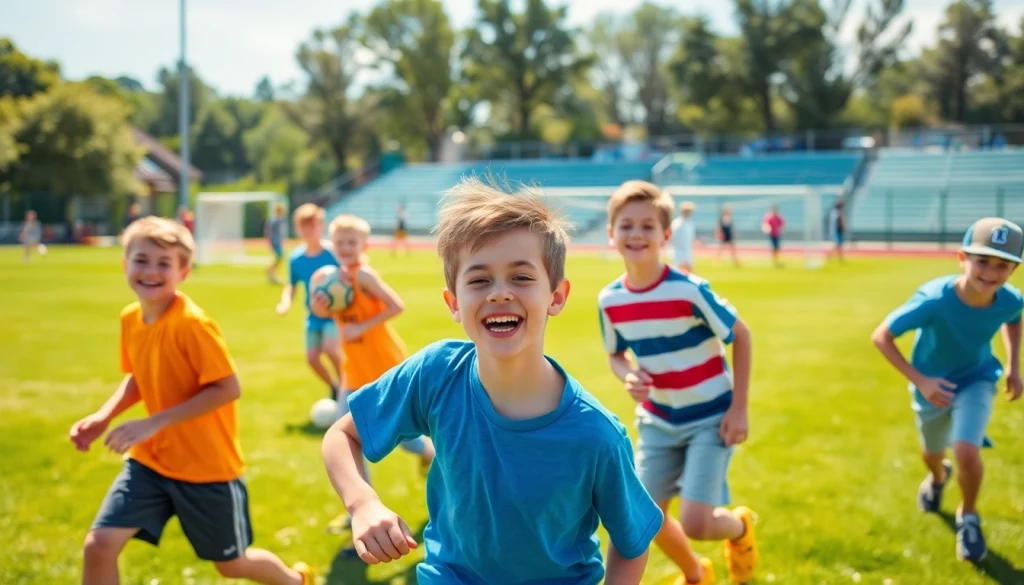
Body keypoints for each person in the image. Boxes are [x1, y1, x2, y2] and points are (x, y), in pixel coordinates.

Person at [321, 177, 662, 585]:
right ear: (453, 302)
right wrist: (362, 504)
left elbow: (631, 540)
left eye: (521, 277)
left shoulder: (596, 434)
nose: (500, 293)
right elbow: (342, 436)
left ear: (556, 296)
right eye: (479, 280)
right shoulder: (436, 374)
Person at [69, 216, 313, 585]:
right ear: (124, 264)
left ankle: (296, 581)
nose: (151, 271)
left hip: (207, 469)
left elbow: (227, 388)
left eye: (164, 263)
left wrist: (152, 422)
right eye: (141, 260)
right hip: (151, 461)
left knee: (232, 565)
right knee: (99, 545)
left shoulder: (192, 324)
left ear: (183, 272)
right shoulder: (131, 318)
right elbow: (139, 376)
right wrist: (104, 416)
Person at [598, 180, 758, 585]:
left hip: (710, 417)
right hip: (658, 421)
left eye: (648, 226)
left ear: (666, 235)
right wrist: (627, 374)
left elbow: (741, 334)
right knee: (642, 516)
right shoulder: (610, 300)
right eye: (626, 225)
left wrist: (739, 409)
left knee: (698, 523)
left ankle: (740, 530)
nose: (636, 234)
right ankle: (695, 574)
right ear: (610, 233)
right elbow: (616, 355)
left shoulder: (688, 289)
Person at [870, 217, 1024, 563]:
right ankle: (938, 478)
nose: (990, 272)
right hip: (933, 386)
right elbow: (882, 336)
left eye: (1002, 265)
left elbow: (1014, 318)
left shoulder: (1010, 299)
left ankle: (968, 517)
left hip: (978, 378)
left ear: (1013, 270)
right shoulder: (934, 300)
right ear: (962, 258)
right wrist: (920, 380)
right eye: (982, 261)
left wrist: (1014, 366)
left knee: (966, 450)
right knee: (933, 453)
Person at [311, 214, 435, 536]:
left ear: (364, 245)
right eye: (340, 243)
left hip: (384, 367)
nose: (346, 248)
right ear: (332, 246)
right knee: (348, 441)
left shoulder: (364, 275)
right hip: (352, 371)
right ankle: (361, 511)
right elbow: (323, 313)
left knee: (405, 439)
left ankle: (431, 454)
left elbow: (397, 305)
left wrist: (360, 327)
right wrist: (320, 307)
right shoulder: (330, 278)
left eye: (352, 243)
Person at [669, 201, 698, 274]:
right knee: (677, 271)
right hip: (678, 251)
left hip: (687, 251)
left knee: (690, 272)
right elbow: (672, 237)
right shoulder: (677, 223)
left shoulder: (690, 223)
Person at [265, 204, 288, 285]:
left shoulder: (281, 220)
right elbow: (269, 232)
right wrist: (270, 242)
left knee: (279, 258)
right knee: (279, 257)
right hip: (275, 243)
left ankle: (271, 272)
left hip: (278, 242)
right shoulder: (273, 221)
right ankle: (270, 271)